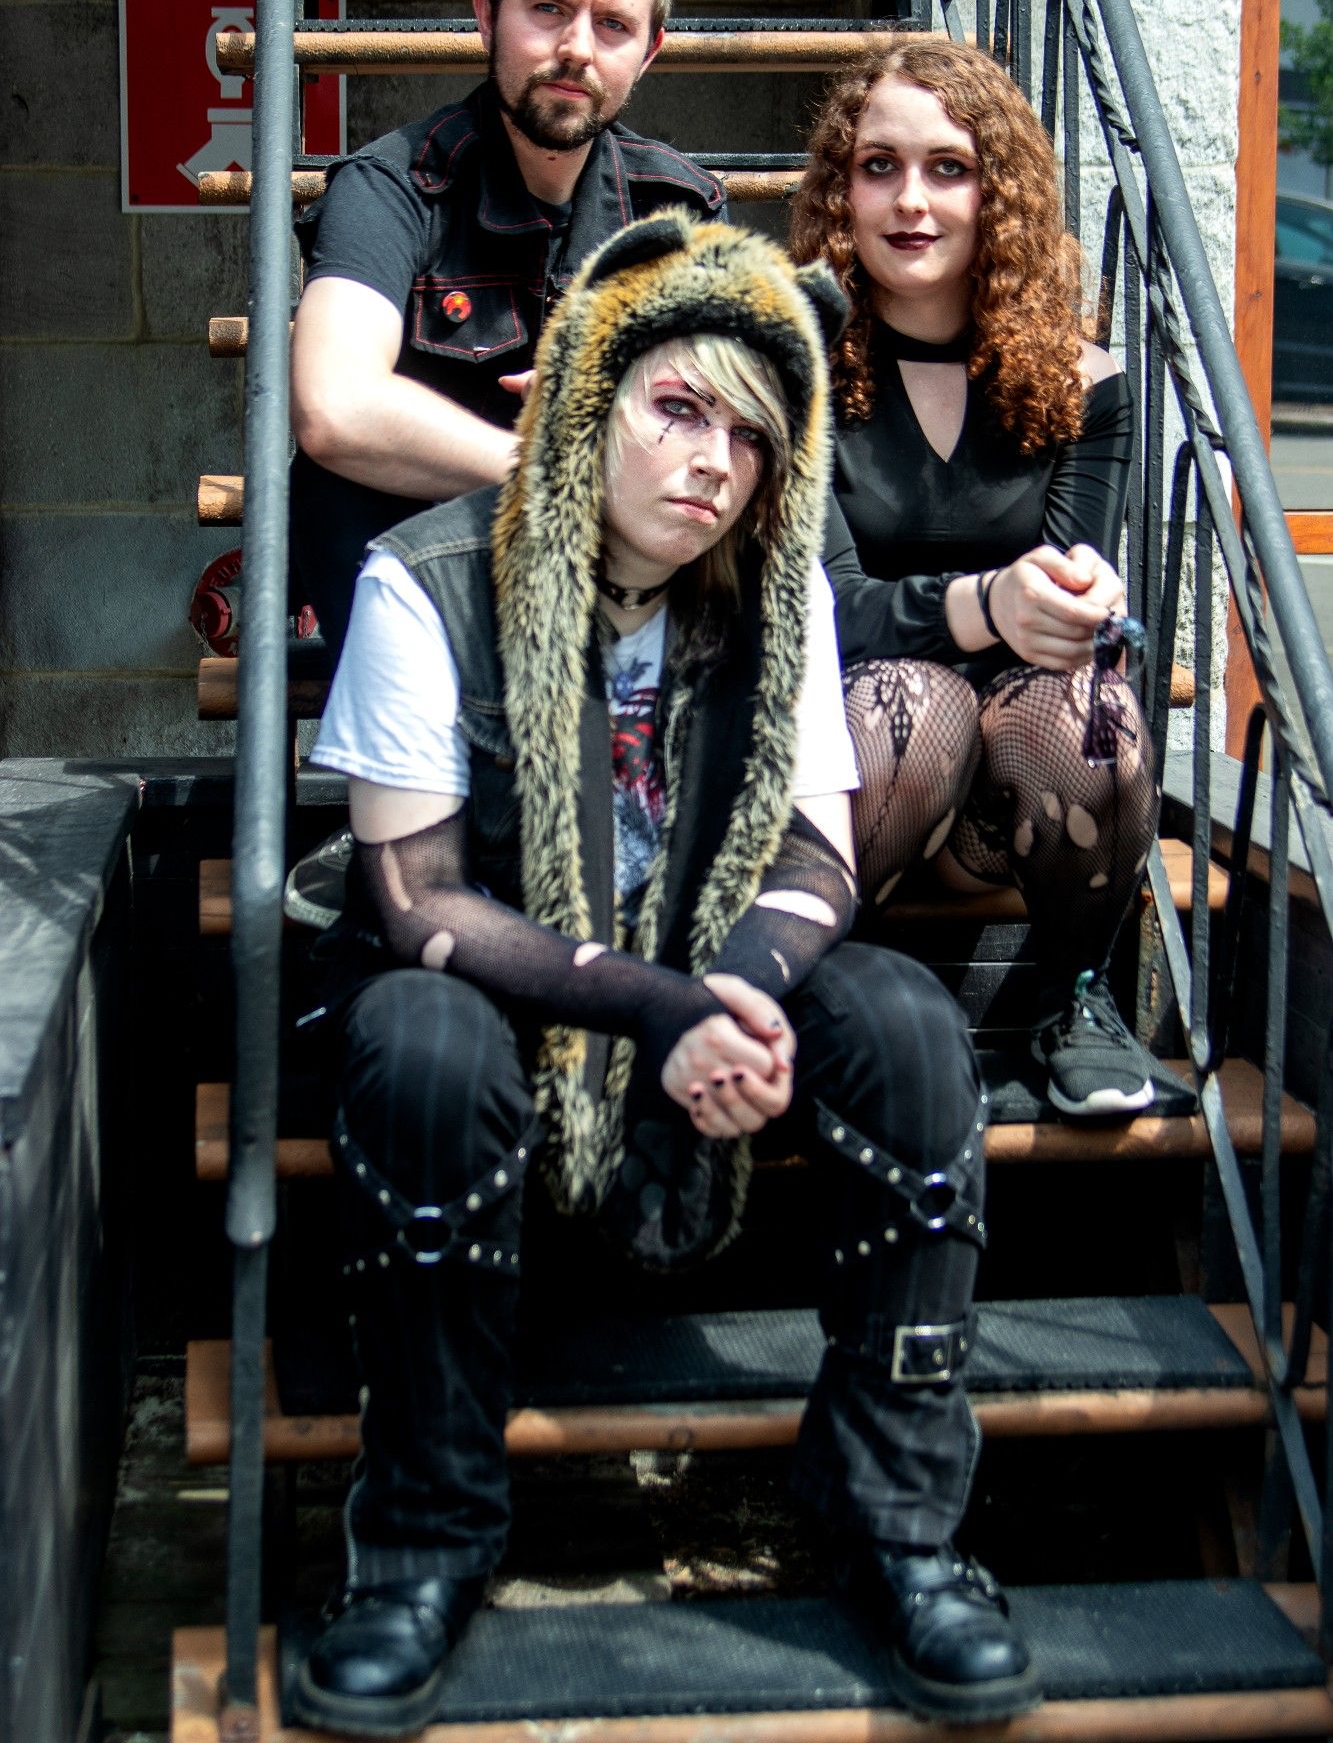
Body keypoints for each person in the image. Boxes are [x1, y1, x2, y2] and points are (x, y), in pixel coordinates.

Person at [290, 213, 1039, 1736]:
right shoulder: (427, 583)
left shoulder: (777, 597)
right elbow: (416, 890)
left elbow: (819, 863)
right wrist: (669, 1007)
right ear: (588, 403)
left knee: (904, 1027)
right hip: (502, 984)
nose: (710, 461)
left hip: (703, 975)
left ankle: (895, 1519)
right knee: (419, 1042)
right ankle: (424, 1539)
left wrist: (740, 991)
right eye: (675, 410)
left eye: (750, 438)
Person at [283, 0, 723, 929]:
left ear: (647, 51)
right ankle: (419, 802)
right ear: (489, 14)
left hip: (612, 601)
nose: (577, 45)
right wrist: (552, 454)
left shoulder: (680, 209)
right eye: (549, 9)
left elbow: (715, 437)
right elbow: (335, 406)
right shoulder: (393, 188)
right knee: (345, 471)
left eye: (611, 22)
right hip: (436, 610)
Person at [789, 38, 1160, 1119]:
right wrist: (984, 602)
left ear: (997, 190)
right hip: (863, 761)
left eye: (948, 167)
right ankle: (798, 987)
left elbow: (1067, 606)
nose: (911, 200)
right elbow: (827, 611)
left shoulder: (1084, 385)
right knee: (920, 704)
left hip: (1015, 790)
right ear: (838, 189)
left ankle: (1071, 993)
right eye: (878, 166)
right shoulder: (793, 365)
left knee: (1091, 711)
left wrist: (1078, 602)